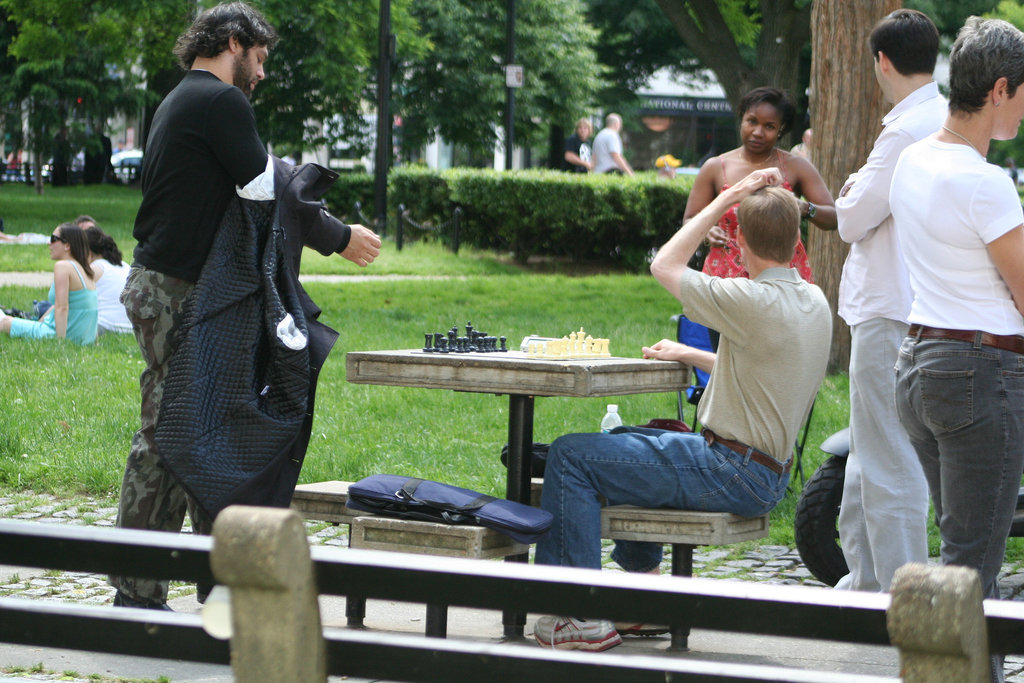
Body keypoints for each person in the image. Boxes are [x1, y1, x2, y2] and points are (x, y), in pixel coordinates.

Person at [110, 1, 381, 611]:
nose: (260, 74)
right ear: (234, 42)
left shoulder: (182, 97)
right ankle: (138, 589)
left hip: (164, 285)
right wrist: (339, 237)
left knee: (198, 430)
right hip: (175, 292)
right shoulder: (218, 100)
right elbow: (269, 189)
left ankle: (210, 586)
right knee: (171, 434)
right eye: (258, 58)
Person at [532, 168, 832, 651]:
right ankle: (643, 594)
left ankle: (578, 616)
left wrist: (727, 196)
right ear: (796, 236)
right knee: (621, 443)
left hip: (730, 469)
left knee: (570, 456)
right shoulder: (813, 300)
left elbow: (664, 265)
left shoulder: (749, 298)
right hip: (767, 471)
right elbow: (769, 369)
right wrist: (691, 354)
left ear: (738, 243)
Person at [891, 17, 1024, 683]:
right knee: (974, 563)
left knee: (962, 549)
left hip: (918, 366)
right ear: (1001, 90)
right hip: (980, 372)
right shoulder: (985, 182)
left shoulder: (915, 158)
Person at [833, 9, 946, 594]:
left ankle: (903, 598)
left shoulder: (904, 130)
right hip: (913, 305)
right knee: (868, 454)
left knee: (890, 461)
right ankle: (866, 579)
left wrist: (851, 184)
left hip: (887, 309)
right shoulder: (942, 116)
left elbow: (851, 216)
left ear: (882, 61)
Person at [685, 89, 836, 289]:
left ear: (781, 130)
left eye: (769, 126)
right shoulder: (715, 168)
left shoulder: (796, 166)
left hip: (782, 277)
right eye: (752, 121)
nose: (758, 132)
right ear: (742, 119)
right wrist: (706, 232)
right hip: (726, 275)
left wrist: (805, 208)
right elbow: (690, 219)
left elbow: (834, 219)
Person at [0, 222, 97, 345]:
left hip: (63, 335)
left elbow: (62, 307)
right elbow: (92, 310)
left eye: (53, 239)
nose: (48, 243)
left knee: (5, 322)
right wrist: (94, 340)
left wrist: (60, 342)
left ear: (67, 245)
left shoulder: (63, 266)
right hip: (82, 338)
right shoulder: (84, 269)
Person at [78, 216, 132, 335]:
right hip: (130, 328)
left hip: (104, 325)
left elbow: (72, 303)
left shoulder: (94, 268)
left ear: (89, 252)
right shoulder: (125, 266)